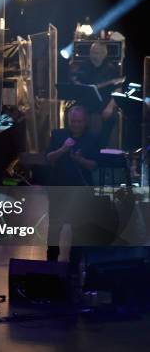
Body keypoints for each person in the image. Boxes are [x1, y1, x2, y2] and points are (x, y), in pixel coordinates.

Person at [45, 106, 99, 262]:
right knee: (55, 227)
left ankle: (75, 267)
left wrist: (79, 160)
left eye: (79, 121)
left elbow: (95, 165)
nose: (76, 124)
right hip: (58, 187)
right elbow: (48, 158)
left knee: (78, 228)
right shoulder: (58, 134)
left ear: (85, 121)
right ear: (68, 120)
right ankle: (51, 264)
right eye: (73, 121)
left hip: (80, 189)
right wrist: (63, 149)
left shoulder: (92, 138)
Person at [70, 42, 121, 147]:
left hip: (104, 104)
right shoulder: (84, 66)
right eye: (92, 52)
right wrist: (77, 83)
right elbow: (75, 80)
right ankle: (76, 145)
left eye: (96, 53)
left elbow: (118, 89)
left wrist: (110, 107)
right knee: (70, 111)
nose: (93, 55)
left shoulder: (111, 69)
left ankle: (101, 148)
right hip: (86, 102)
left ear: (104, 54)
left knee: (110, 118)